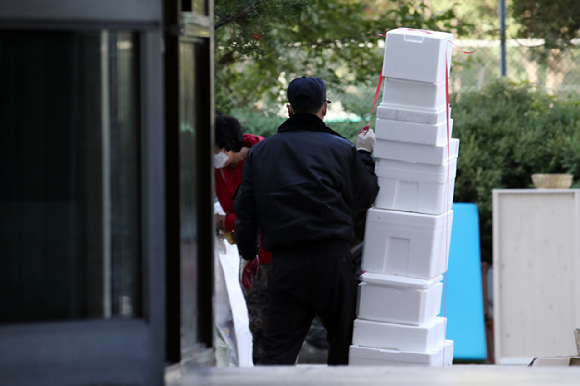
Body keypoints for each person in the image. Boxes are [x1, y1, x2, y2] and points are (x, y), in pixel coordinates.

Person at [233, 77, 379, 365]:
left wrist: (248, 254)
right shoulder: (340, 148)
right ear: (324, 108)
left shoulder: (261, 152)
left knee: (278, 353)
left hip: (286, 265)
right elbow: (364, 197)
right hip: (332, 262)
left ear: (289, 109)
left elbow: (245, 211)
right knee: (344, 346)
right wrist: (363, 154)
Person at [213, 114, 273, 364]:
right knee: (254, 325)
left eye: (214, 149)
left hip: (277, 253)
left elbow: (265, 207)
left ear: (228, 145)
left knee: (279, 328)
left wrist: (226, 221)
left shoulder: (265, 157)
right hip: (249, 255)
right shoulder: (220, 169)